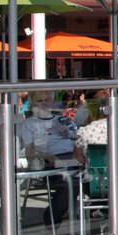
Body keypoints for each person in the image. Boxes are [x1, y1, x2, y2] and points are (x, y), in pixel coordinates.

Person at [17, 92, 78, 224]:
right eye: (40, 100)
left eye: (47, 100)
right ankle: (53, 215)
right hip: (49, 161)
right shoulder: (29, 123)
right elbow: (30, 150)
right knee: (71, 182)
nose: (44, 103)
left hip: (75, 156)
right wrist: (50, 157)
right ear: (33, 104)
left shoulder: (63, 120)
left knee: (98, 177)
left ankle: (103, 212)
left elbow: (78, 138)